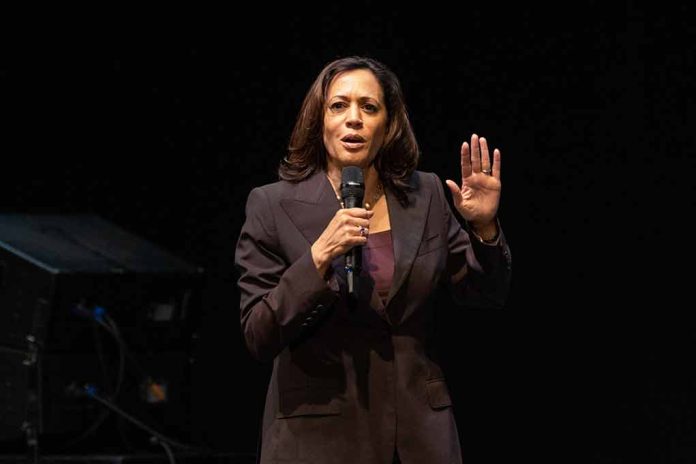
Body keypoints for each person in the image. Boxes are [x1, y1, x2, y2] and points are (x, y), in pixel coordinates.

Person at [234, 56, 511, 464]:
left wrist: (485, 230)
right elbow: (259, 334)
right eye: (339, 105)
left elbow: (484, 294)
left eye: (369, 107)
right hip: (318, 438)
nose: (354, 119)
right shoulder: (272, 205)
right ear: (319, 120)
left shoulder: (426, 195)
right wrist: (318, 257)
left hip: (420, 438)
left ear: (389, 124)